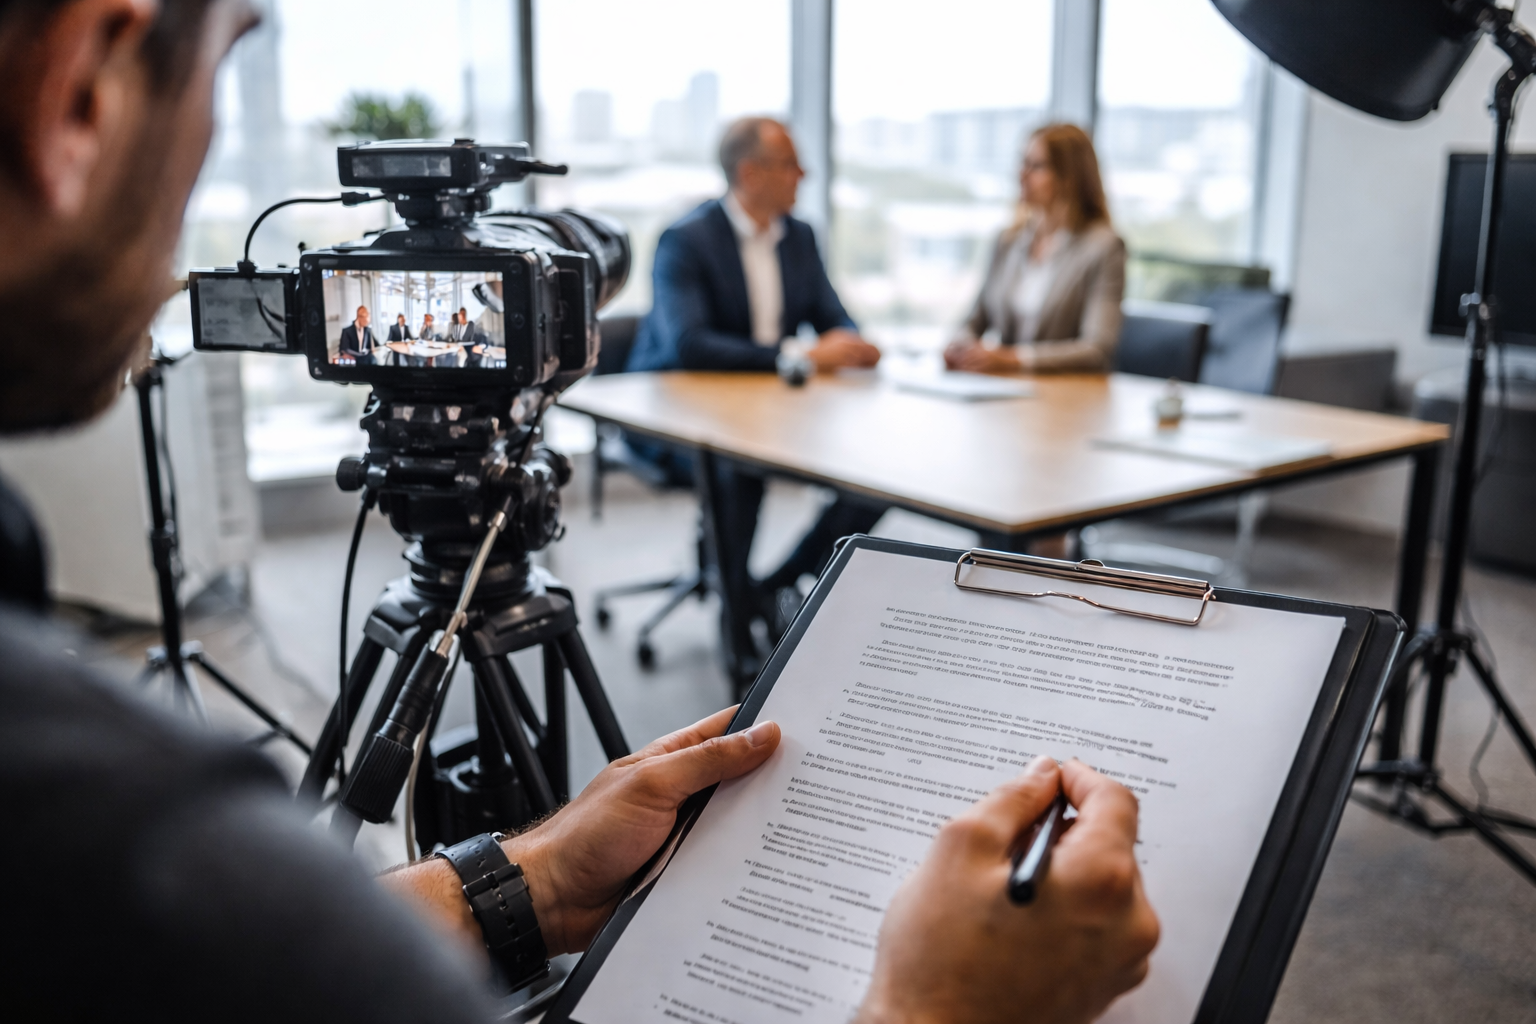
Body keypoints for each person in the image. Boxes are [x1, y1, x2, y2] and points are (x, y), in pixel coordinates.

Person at [0, 2, 1158, 1020]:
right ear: (84, 82)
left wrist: (534, 880)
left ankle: (757, 596)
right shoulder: (119, 833)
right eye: (224, 56)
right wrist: (938, 1008)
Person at [627, 117, 889, 642]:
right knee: (735, 468)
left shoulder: (799, 236)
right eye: (791, 164)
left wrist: (851, 343)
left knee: (876, 472)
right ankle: (739, 635)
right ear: (750, 173)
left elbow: (833, 315)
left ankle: (772, 586)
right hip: (678, 414)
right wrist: (804, 355)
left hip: (775, 410)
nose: (804, 174)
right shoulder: (685, 240)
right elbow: (690, 345)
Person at [945, 123, 1126, 375]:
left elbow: (1097, 350)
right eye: (1022, 162)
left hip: (1065, 401)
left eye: (1037, 166)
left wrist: (1014, 359)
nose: (1022, 174)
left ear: (1070, 177)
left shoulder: (1103, 247)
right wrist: (960, 347)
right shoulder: (1008, 241)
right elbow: (974, 320)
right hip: (1002, 394)